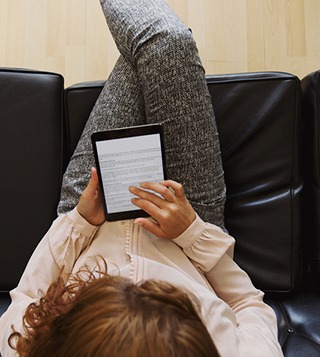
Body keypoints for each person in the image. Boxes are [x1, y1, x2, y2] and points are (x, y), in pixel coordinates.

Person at [0, 174, 287, 357]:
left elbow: (28, 300)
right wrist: (191, 232)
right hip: (186, 221)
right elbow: (247, 304)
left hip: (89, 220)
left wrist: (80, 221)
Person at [58, 0, 226, 230]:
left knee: (161, 48)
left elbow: (45, 266)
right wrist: (190, 233)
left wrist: (79, 223)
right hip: (190, 229)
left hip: (85, 229)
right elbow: (227, 267)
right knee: (169, 44)